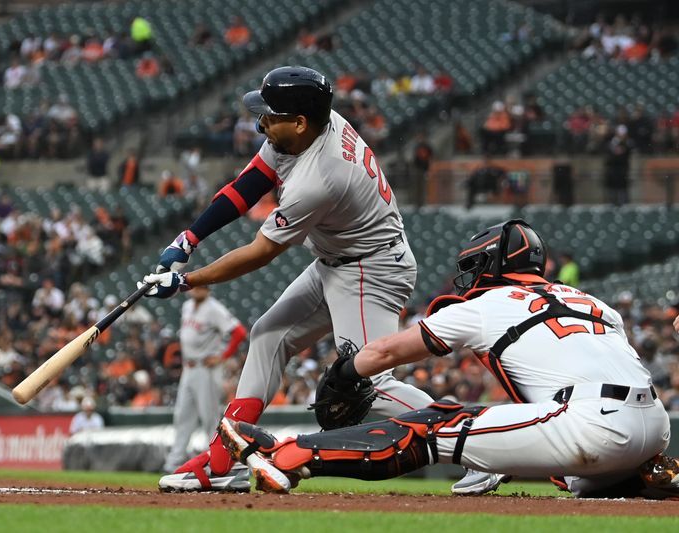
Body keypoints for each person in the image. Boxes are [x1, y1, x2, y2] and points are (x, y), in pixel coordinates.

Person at [141, 66, 498, 494]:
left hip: (371, 269)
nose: (261, 123)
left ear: (299, 122)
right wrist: (189, 238)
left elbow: (261, 252)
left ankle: (482, 446)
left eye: (270, 116)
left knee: (368, 384)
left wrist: (186, 281)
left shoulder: (320, 176)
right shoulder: (308, 128)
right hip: (337, 260)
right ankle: (224, 459)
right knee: (268, 335)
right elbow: (248, 183)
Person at [218, 220, 678, 499]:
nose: (469, 277)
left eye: (475, 266)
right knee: (577, 477)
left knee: (434, 423)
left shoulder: (487, 304)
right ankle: (639, 475)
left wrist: (343, 373)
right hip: (654, 425)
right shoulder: (594, 301)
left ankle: (287, 453)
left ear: (492, 265)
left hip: (588, 423)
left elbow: (384, 351)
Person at [162, 286, 248, 473]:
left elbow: (240, 332)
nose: (197, 289)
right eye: (195, 286)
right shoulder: (187, 306)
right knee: (182, 416)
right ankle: (173, 464)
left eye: (202, 286)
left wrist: (223, 356)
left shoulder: (214, 308)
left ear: (208, 289)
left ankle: (217, 462)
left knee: (209, 419)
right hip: (189, 367)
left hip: (206, 368)